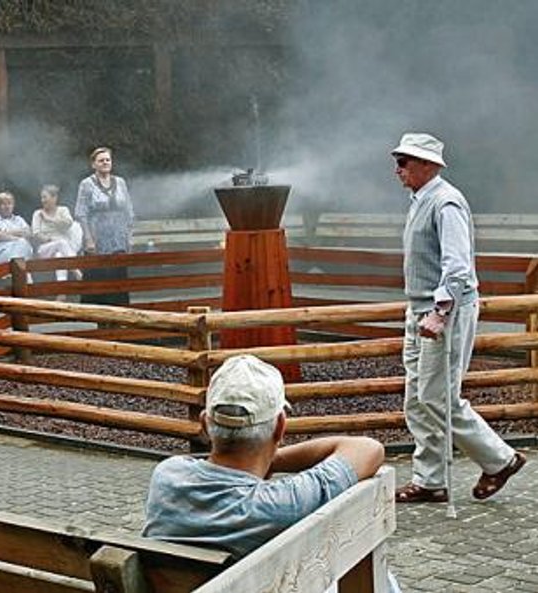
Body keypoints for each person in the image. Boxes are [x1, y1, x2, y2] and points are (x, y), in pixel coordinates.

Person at [142, 355, 399, 592]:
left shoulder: (167, 476)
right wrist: (269, 461)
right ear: (280, 427)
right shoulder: (284, 503)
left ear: (205, 424)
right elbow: (369, 449)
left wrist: (263, 460)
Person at [390, 133, 525, 503]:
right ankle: (430, 480)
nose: (397, 168)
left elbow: (457, 266)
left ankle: (500, 460)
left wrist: (439, 312)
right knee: (417, 399)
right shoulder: (421, 199)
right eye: (397, 160)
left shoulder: (446, 202)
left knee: (438, 397)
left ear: (428, 165)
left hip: (443, 313)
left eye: (404, 161)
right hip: (418, 309)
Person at [74, 147, 134, 305]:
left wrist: (129, 236)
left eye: (108, 160)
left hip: (118, 236)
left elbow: (129, 210)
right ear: (94, 164)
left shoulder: (120, 182)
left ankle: (120, 313)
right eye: (101, 160)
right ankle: (101, 316)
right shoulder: (86, 184)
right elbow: (81, 212)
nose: (105, 162)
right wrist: (88, 238)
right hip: (97, 236)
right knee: (100, 274)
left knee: (118, 274)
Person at [31, 184, 82, 282]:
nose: (43, 200)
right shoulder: (37, 214)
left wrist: (49, 219)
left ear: (54, 198)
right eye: (42, 198)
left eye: (45, 197)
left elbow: (68, 223)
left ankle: (61, 290)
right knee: (60, 242)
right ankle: (76, 269)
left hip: (64, 249)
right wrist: (51, 239)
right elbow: (36, 234)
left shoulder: (63, 210)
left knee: (59, 255)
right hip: (45, 249)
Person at [0, 191, 33, 265]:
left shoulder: (19, 219)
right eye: (3, 204)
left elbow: (28, 233)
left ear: (13, 205)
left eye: (9, 203)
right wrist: (18, 237)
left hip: (21, 253)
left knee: (23, 245)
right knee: (22, 243)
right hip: (1, 255)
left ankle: (18, 272)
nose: (7, 207)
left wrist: (6, 232)